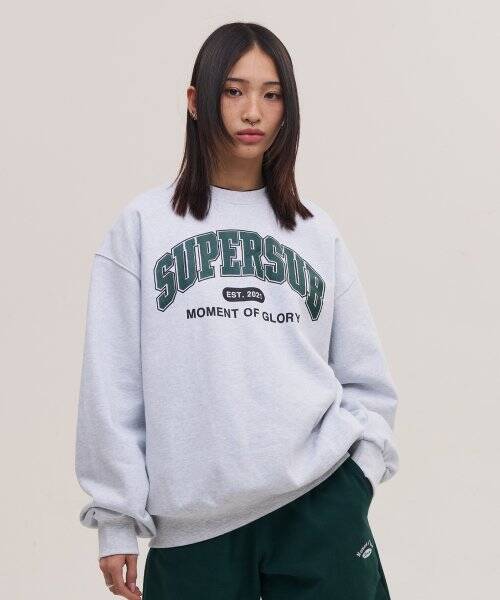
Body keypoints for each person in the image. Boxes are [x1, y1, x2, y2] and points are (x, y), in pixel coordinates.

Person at [75, 21, 399, 600]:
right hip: (195, 530)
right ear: (195, 100)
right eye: (233, 91)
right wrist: (117, 518)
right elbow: (112, 383)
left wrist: (357, 479)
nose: (253, 112)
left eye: (271, 95)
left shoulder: (315, 233)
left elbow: (366, 379)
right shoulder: (145, 227)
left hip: (319, 507)